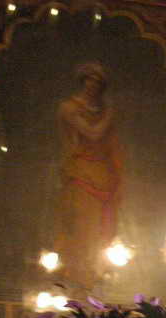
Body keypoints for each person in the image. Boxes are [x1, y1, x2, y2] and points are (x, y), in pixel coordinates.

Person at [56, 61, 122, 290]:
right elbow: (93, 134)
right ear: (83, 82)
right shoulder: (69, 108)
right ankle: (77, 279)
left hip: (102, 174)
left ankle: (94, 277)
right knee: (81, 226)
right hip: (81, 173)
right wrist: (109, 116)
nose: (93, 86)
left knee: (99, 230)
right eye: (89, 81)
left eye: (98, 83)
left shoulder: (102, 111)